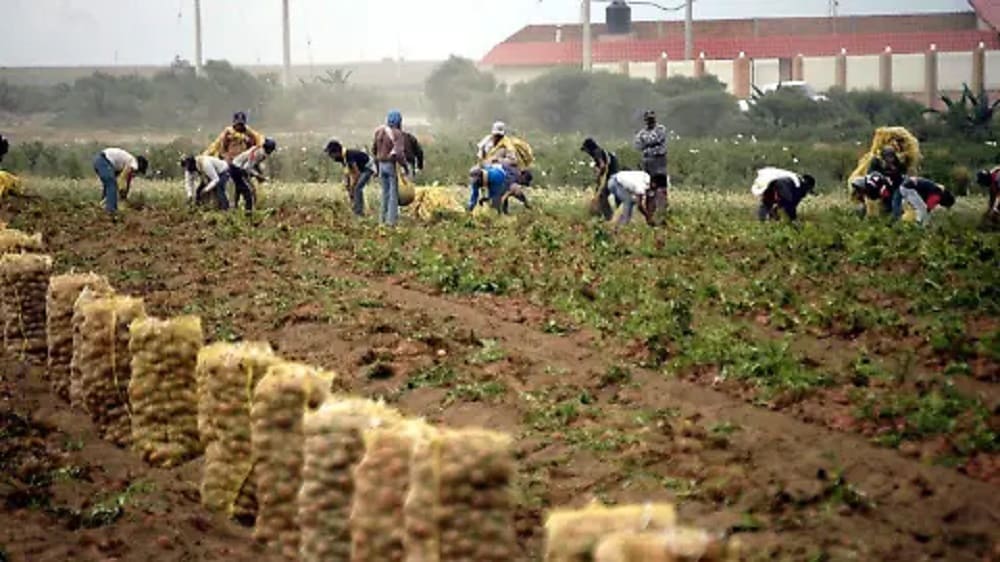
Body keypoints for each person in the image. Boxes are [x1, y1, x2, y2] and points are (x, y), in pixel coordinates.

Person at [372, 110, 408, 226]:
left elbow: (374, 150)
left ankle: (381, 219)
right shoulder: (397, 133)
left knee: (384, 193)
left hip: (381, 165)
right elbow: (399, 153)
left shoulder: (379, 131)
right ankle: (391, 221)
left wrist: (377, 167)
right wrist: (405, 167)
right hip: (390, 165)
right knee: (393, 194)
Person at [324, 139, 376, 217]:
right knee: (352, 189)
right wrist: (348, 185)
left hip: (368, 167)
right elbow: (348, 172)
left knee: (357, 188)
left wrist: (352, 186)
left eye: (331, 154)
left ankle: (358, 212)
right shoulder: (342, 158)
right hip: (360, 169)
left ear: (336, 152)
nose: (330, 156)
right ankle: (356, 207)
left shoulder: (349, 155)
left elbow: (356, 173)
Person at [229, 137, 276, 214]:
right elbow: (246, 168)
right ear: (269, 149)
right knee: (249, 191)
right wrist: (258, 176)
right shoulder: (259, 153)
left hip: (235, 167)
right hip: (238, 169)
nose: (271, 152)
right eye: (271, 150)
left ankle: (235, 208)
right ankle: (249, 212)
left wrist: (259, 174)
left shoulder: (259, 150)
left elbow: (254, 164)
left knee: (239, 189)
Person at [93, 148, 147, 213]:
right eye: (138, 172)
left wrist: (125, 195)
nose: (136, 174)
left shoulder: (126, 163)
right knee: (112, 184)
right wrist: (122, 190)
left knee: (109, 184)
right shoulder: (134, 163)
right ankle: (111, 210)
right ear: (140, 167)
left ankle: (104, 205)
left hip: (100, 160)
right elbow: (122, 178)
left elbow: (127, 181)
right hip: (104, 161)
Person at [751, 167, 816, 222]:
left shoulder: (794, 178)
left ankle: (762, 222)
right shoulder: (799, 186)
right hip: (780, 185)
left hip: (772, 184)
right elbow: (790, 204)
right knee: (785, 204)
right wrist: (794, 219)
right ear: (808, 187)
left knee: (766, 205)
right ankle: (766, 220)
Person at [467, 163, 531, 214]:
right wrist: (471, 208)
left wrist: (490, 200)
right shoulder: (476, 181)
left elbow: (498, 195)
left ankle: (504, 213)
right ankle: (503, 213)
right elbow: (474, 195)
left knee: (497, 202)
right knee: (496, 201)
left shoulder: (496, 177)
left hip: (501, 179)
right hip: (499, 176)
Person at [581, 137, 621, 220]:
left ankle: (609, 217)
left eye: (586, 150)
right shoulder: (602, 152)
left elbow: (602, 166)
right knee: (604, 195)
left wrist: (599, 176)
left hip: (612, 176)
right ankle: (609, 215)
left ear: (589, 148)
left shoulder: (596, 152)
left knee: (602, 196)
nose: (587, 153)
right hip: (615, 175)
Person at [867, 146, 907, 220]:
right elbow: (870, 174)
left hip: (894, 185)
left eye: (891, 156)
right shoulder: (876, 161)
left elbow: (902, 174)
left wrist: (893, 170)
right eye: (888, 156)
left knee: (894, 200)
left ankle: (895, 216)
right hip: (879, 185)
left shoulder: (897, 163)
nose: (890, 159)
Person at [634, 110, 668, 178]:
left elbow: (656, 140)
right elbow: (638, 145)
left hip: (659, 160)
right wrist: (646, 144)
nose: (650, 121)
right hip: (647, 160)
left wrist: (645, 143)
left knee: (659, 180)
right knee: (647, 180)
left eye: (651, 119)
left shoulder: (660, 129)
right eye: (648, 119)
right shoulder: (642, 132)